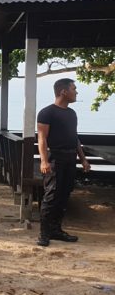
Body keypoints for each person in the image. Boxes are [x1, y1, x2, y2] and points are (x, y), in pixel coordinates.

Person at [36, 78, 90, 247]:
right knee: (51, 196)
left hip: (70, 159)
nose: (76, 92)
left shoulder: (71, 113)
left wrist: (82, 159)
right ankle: (44, 234)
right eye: (74, 88)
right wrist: (44, 161)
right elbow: (42, 139)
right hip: (55, 159)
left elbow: (74, 138)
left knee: (64, 195)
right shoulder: (47, 112)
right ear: (63, 92)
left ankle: (56, 230)